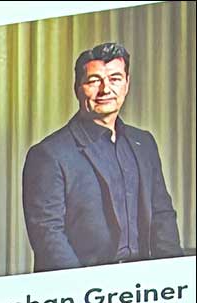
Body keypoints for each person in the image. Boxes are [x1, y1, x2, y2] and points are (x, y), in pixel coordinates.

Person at [22, 41, 183, 272]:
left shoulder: (144, 143)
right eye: (94, 80)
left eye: (115, 79)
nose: (105, 89)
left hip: (145, 285)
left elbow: (162, 215)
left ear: (127, 84)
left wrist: (172, 278)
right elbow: (48, 236)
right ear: (77, 88)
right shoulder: (48, 155)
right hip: (85, 291)